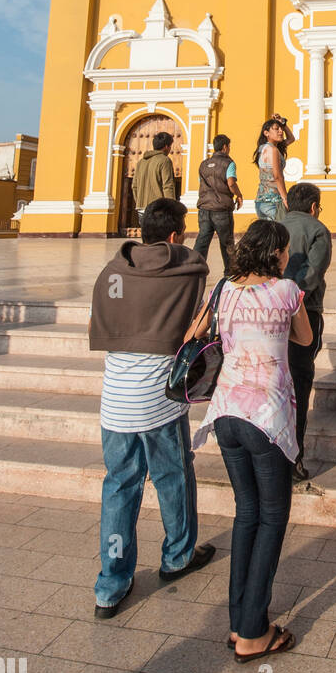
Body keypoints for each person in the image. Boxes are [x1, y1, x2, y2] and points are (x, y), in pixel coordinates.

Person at [192, 218, 313, 662]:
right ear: (276, 253)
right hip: (267, 416)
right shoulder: (286, 291)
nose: (285, 256)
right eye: (283, 250)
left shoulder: (223, 288)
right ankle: (252, 632)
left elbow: (192, 336)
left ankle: (238, 620)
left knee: (247, 514)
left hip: (225, 412)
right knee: (273, 517)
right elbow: (306, 337)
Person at [89, 197, 215, 618]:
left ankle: (111, 585)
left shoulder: (112, 270)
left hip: (115, 399)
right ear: (177, 235)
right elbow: (202, 273)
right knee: (173, 477)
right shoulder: (187, 269)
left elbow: (100, 325)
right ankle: (177, 555)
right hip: (159, 401)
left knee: (119, 486)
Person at [281, 182, 332, 483]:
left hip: (267, 314)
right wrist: (292, 300)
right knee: (299, 382)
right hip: (304, 311)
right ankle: (293, 457)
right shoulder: (318, 229)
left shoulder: (272, 225)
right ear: (314, 206)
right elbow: (313, 273)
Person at [194, 134, 243, 272]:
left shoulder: (203, 164)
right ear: (225, 147)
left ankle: (195, 268)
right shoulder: (229, 163)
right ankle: (230, 272)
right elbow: (231, 182)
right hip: (221, 209)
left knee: (202, 241)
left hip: (204, 208)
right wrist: (238, 195)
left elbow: (202, 184)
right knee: (227, 243)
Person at [131, 131, 177, 224]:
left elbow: (134, 186)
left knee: (147, 236)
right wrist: (172, 207)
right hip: (158, 208)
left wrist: (139, 201)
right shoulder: (164, 160)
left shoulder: (141, 162)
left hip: (141, 208)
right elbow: (167, 186)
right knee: (160, 236)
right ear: (166, 146)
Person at [252, 117, 290, 222]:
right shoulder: (273, 150)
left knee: (268, 236)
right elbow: (277, 177)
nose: (281, 131)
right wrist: (285, 199)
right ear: (266, 133)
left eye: (281, 129)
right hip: (274, 202)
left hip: (260, 201)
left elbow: (291, 139)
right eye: (276, 129)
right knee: (282, 233)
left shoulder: (262, 148)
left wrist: (283, 124)